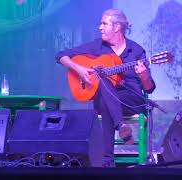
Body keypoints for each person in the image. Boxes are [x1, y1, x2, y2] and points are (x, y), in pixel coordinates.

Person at [56, 8, 156, 167]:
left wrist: (143, 76)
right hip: (109, 102)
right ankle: (120, 126)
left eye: (104, 24)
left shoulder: (136, 51)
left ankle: (107, 162)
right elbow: (61, 55)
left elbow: (149, 88)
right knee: (105, 90)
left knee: (104, 99)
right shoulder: (98, 46)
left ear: (117, 27)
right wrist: (79, 69)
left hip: (131, 100)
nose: (100, 27)